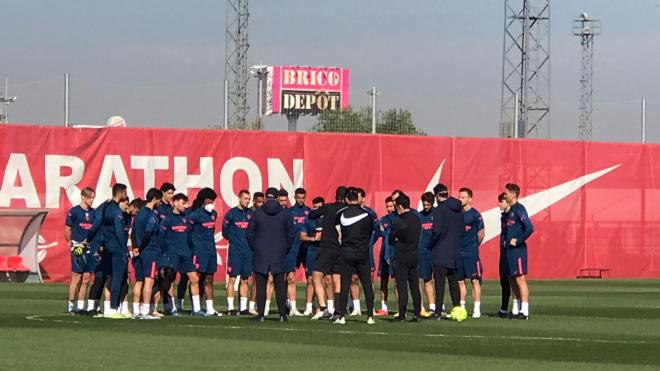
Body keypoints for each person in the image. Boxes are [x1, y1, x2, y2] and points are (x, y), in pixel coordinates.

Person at [246, 187, 295, 322]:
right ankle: (282, 314)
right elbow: (291, 234)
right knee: (280, 285)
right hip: (279, 252)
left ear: (266, 198)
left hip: (261, 252)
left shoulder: (257, 213)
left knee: (261, 285)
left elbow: (249, 234)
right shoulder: (285, 214)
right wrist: (285, 248)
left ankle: (261, 314)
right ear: (278, 198)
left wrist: (256, 248)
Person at [332, 187, 376, 325]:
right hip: (362, 252)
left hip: (346, 252)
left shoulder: (341, 213)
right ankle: (370, 316)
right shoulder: (367, 214)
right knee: (367, 284)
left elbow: (337, 231)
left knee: (344, 284)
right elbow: (370, 232)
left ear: (346, 199)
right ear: (357, 199)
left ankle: (341, 316)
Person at [159, 193, 203, 316]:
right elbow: (161, 238)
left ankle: (197, 309)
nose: (185, 206)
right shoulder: (167, 219)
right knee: (170, 280)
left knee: (195, 279)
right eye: (183, 203)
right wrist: (165, 252)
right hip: (172, 254)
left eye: (186, 203)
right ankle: (170, 307)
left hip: (186, 254)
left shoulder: (187, 217)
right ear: (175, 202)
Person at [308, 186, 347, 320]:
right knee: (337, 279)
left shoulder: (329, 207)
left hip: (327, 247)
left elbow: (311, 215)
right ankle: (338, 310)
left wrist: (321, 210)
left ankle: (324, 308)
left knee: (316, 275)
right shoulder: (347, 211)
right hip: (341, 248)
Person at [427, 183, 463, 319]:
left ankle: (438, 311)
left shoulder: (438, 210)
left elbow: (436, 231)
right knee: (454, 283)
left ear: (437, 196)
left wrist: (430, 245)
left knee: (440, 284)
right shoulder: (458, 208)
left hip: (440, 251)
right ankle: (457, 310)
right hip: (454, 251)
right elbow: (461, 229)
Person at [390, 194, 422, 322]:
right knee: (415, 285)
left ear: (400, 206)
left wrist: (397, 239)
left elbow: (391, 239)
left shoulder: (399, 221)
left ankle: (402, 314)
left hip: (402, 255)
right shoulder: (416, 218)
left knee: (402, 285)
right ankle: (417, 313)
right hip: (414, 254)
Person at [503, 183, 534, 320]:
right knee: (512, 279)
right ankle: (516, 309)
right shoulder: (510, 211)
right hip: (510, 251)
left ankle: (525, 311)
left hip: (518, 251)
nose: (505, 195)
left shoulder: (519, 209)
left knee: (520, 279)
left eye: (507, 193)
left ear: (513, 194)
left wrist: (518, 240)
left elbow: (529, 227)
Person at [132, 188, 163, 320]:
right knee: (149, 281)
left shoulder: (139, 213)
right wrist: (141, 247)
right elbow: (148, 234)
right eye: (159, 199)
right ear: (155, 199)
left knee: (139, 281)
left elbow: (133, 232)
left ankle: (135, 310)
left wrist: (135, 247)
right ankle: (145, 311)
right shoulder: (151, 215)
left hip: (139, 252)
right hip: (149, 251)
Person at [189, 187, 221, 316]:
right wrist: (193, 247)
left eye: (212, 200)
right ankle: (196, 308)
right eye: (209, 200)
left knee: (209, 279)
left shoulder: (213, 214)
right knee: (196, 278)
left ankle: (210, 308)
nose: (211, 203)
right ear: (203, 200)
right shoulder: (195, 215)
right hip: (199, 251)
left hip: (211, 251)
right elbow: (188, 232)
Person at [64, 187, 96, 314]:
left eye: (93, 197)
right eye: (90, 197)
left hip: (89, 248)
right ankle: (71, 305)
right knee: (76, 277)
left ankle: (81, 306)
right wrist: (71, 243)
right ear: (83, 197)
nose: (92, 200)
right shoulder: (74, 211)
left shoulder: (94, 213)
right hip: (77, 247)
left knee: (87, 278)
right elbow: (67, 229)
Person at [222, 189, 254, 315]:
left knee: (245, 279)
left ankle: (243, 308)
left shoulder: (251, 213)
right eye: (245, 198)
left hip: (248, 251)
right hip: (235, 251)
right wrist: (234, 241)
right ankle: (230, 308)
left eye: (248, 199)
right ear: (239, 198)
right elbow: (225, 232)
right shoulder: (231, 214)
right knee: (232, 278)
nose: (247, 201)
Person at [458, 187, 485, 318]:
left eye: (463, 197)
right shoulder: (457, 214)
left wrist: (474, 245)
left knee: (474, 280)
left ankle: (476, 309)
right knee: (460, 281)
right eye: (459, 197)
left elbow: (481, 233)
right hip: (459, 253)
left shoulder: (475, 214)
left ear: (469, 199)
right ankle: (461, 308)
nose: (460, 199)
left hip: (471, 253)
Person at [285, 187, 310, 316]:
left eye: (303, 198)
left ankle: (309, 307)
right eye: (298, 198)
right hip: (293, 249)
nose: (300, 200)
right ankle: (291, 306)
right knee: (290, 277)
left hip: (306, 248)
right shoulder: (290, 212)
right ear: (294, 198)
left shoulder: (309, 212)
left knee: (310, 277)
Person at [299, 196, 325, 316]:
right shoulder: (309, 219)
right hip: (312, 250)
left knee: (325, 280)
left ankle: (323, 306)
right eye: (315, 207)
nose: (317, 210)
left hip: (324, 250)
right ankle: (309, 307)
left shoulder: (328, 219)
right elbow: (302, 236)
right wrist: (313, 238)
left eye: (320, 208)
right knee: (310, 279)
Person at [375, 196, 397, 316]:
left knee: (397, 280)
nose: (389, 209)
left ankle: (400, 308)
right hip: (384, 253)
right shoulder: (384, 219)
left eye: (391, 206)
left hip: (395, 253)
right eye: (387, 206)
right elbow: (380, 231)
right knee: (383, 280)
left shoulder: (398, 219)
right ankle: (384, 307)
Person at [418, 192, 436, 317]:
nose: (426, 205)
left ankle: (434, 306)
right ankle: (420, 307)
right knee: (424, 279)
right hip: (422, 251)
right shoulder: (419, 216)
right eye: (424, 203)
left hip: (436, 251)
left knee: (435, 280)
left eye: (428, 203)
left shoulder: (437, 215)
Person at [497, 192, 513, 318]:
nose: (499, 204)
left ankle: (517, 308)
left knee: (513, 281)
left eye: (501, 202)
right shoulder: (503, 217)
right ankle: (503, 308)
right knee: (503, 281)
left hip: (511, 253)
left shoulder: (513, 215)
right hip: (503, 252)